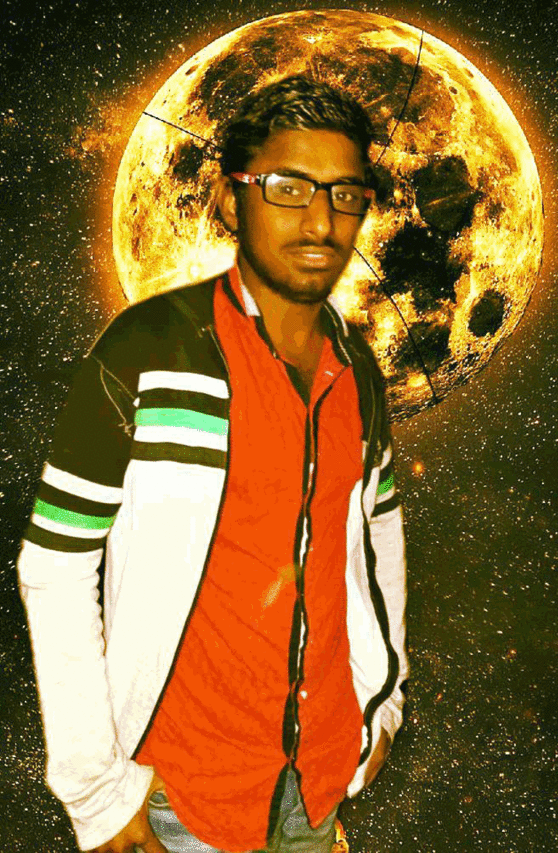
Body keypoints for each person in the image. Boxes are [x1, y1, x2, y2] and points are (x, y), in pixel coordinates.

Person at [17, 75, 408, 853]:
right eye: (288, 187)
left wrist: (381, 706)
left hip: (315, 786)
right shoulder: (146, 350)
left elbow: (376, 542)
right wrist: (97, 793)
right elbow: (54, 562)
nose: (321, 221)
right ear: (231, 201)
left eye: (345, 194)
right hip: (181, 802)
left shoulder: (359, 370)